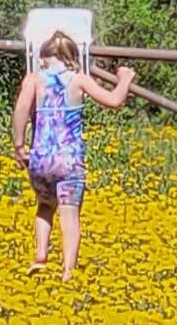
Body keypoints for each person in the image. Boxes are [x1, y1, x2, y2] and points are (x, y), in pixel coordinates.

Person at [12, 29, 133, 278]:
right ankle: (68, 270)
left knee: (45, 206)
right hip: (68, 159)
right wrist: (124, 78)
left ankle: (41, 256)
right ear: (72, 57)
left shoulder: (34, 79)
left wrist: (19, 146)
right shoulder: (78, 79)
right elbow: (114, 101)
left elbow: (22, 108)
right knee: (70, 214)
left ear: (44, 57)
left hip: (40, 158)